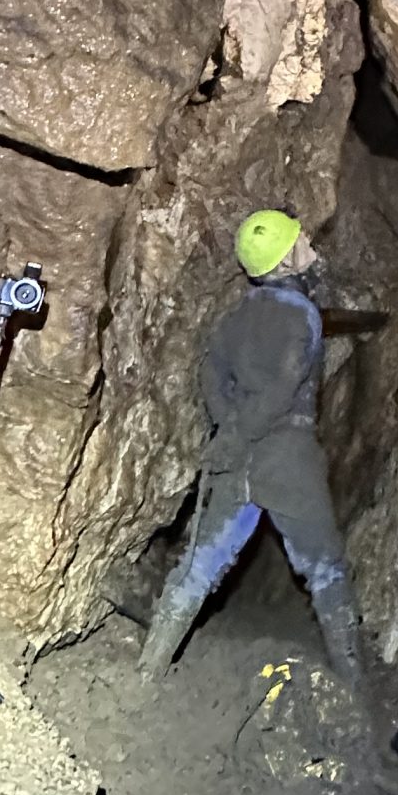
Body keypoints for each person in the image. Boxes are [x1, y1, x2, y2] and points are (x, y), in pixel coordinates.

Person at [136, 209, 363, 685]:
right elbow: (283, 386)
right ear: (285, 260)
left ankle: (146, 674)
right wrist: (241, 431)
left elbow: (208, 371)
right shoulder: (300, 314)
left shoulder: (237, 314)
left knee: (199, 565)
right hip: (286, 454)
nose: (306, 236)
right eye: (297, 237)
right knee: (324, 569)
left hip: (236, 455)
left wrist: (228, 427)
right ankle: (355, 683)